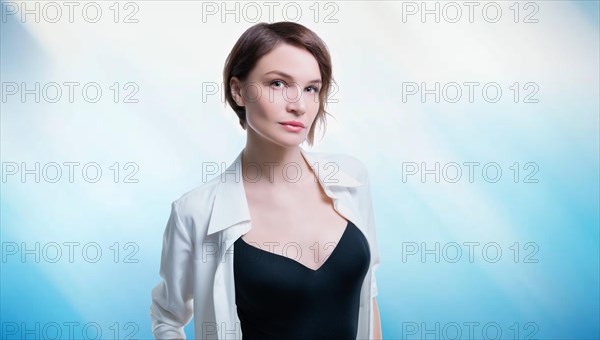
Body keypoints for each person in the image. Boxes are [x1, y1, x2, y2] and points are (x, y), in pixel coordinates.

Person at [150, 21, 382, 340]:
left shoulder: (351, 180)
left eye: (311, 88)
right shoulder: (196, 212)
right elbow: (167, 318)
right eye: (277, 84)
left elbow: (367, 294)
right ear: (237, 90)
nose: (298, 104)